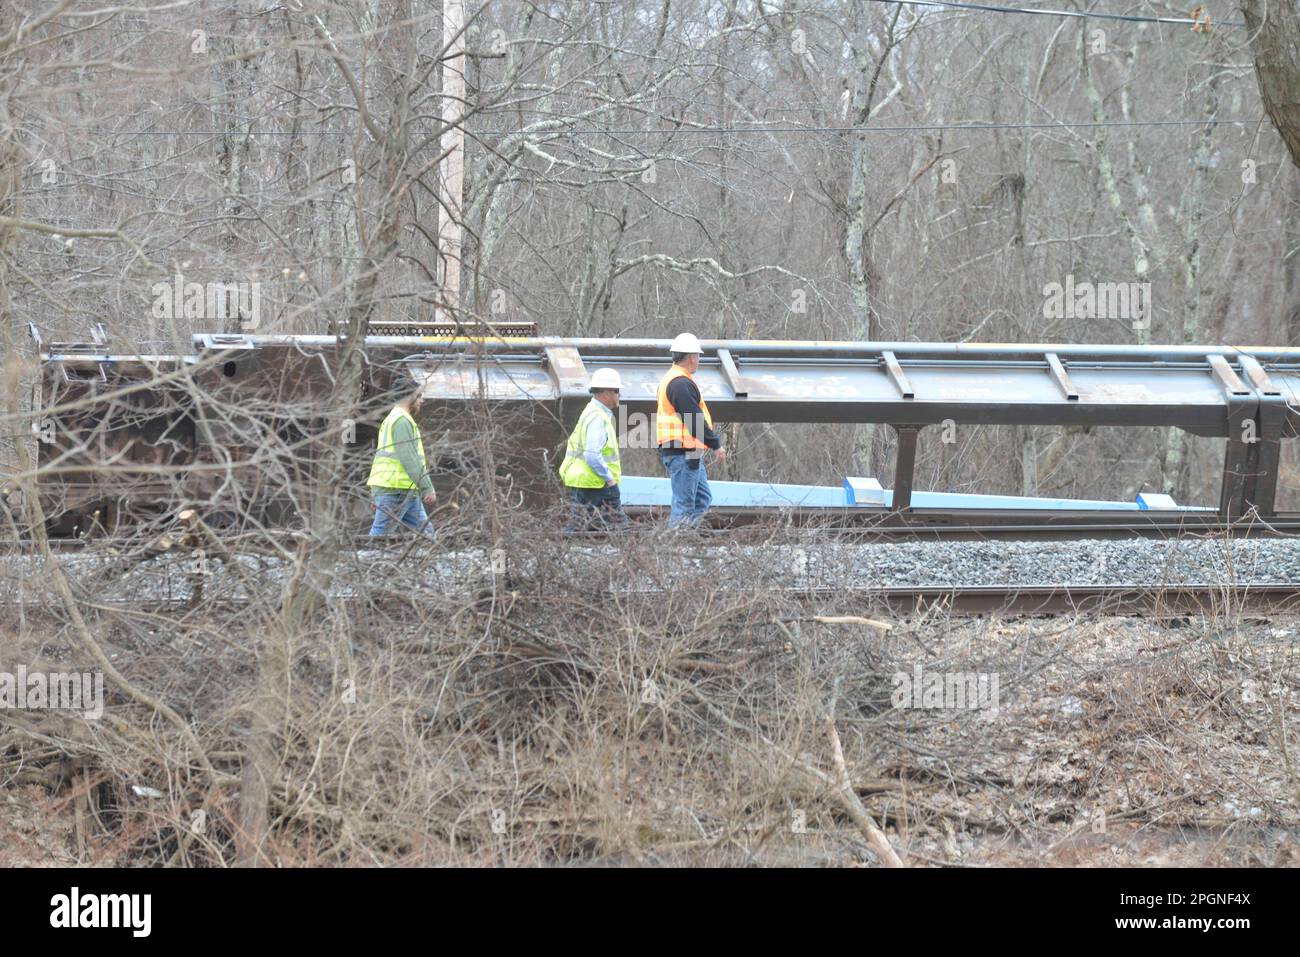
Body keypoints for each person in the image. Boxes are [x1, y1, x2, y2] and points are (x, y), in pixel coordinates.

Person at [656, 333, 725, 527]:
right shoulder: (680, 383)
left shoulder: (677, 380)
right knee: (685, 504)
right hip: (683, 452)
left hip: (689, 451)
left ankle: (687, 541)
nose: (698, 361)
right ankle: (676, 548)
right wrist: (716, 444)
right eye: (698, 357)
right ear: (692, 357)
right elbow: (694, 420)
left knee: (701, 498)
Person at [366, 372, 437, 537]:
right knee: (380, 536)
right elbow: (408, 458)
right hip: (396, 489)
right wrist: (427, 487)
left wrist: (374, 493)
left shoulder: (393, 418)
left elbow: (381, 458)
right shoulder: (401, 421)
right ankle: (369, 561)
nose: (422, 400)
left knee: (426, 533)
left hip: (403, 488)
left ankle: (426, 562)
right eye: (418, 396)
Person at [559, 367, 629, 531]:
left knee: (578, 527)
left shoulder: (592, 412)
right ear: (606, 393)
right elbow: (592, 455)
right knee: (620, 528)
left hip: (587, 482)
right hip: (597, 483)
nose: (620, 395)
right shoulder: (597, 417)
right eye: (617, 390)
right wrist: (609, 479)